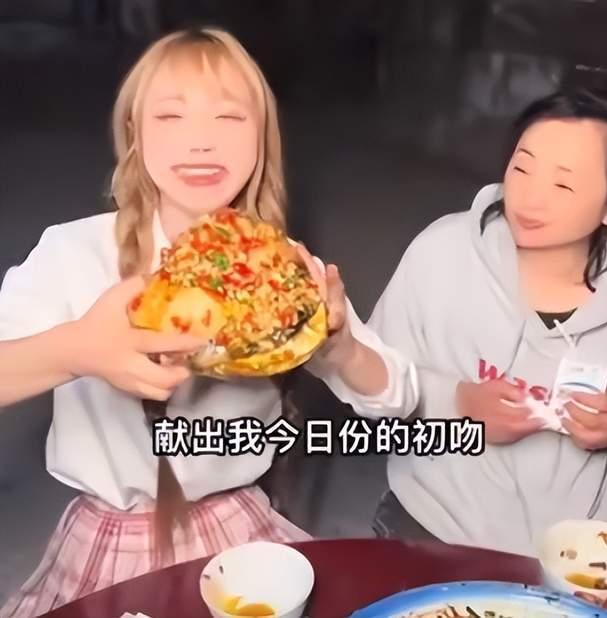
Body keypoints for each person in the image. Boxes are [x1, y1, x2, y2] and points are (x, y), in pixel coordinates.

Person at [0, 28, 418, 617]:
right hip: (107, 538)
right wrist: (76, 350)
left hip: (238, 527)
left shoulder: (280, 268)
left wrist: (341, 345)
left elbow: (399, 398)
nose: (200, 142)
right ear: (133, 133)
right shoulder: (73, 254)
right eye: (171, 116)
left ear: (262, 139)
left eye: (229, 117)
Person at [367, 88, 607, 557]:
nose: (530, 198)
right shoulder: (441, 253)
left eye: (563, 185)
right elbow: (371, 396)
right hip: (427, 523)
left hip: (574, 551)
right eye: (522, 167)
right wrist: (456, 403)